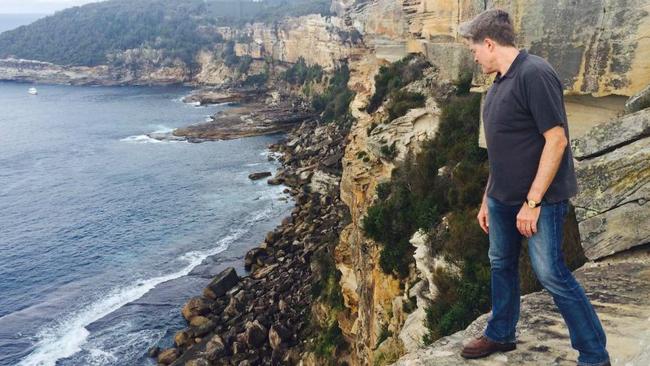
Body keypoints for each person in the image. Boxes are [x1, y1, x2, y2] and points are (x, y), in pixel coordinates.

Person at [456, 8, 611, 366]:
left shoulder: (535, 74)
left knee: (551, 274)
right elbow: (501, 151)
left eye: (474, 49)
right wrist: (486, 198)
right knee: (501, 264)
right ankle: (501, 333)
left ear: (490, 43)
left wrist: (533, 201)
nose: (473, 56)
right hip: (501, 198)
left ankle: (594, 354)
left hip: (538, 200)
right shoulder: (497, 85)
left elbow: (556, 140)